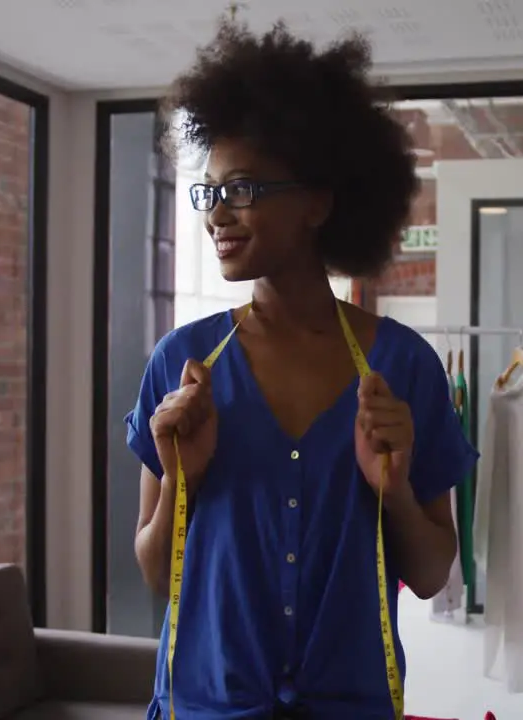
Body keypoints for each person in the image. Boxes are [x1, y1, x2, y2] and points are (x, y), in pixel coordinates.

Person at [123, 17, 479, 720]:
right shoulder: (182, 363)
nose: (216, 213)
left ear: (318, 202)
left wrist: (397, 490)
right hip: (207, 705)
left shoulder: (401, 367)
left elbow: (434, 574)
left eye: (245, 189)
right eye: (210, 190)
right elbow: (157, 576)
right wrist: (179, 481)